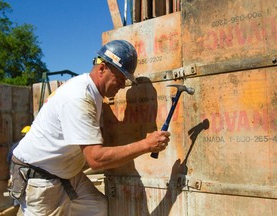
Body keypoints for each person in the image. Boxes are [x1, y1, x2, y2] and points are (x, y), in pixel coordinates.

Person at [10, 40, 170, 216]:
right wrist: (146, 145)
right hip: (40, 177)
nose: (123, 85)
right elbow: (96, 159)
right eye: (120, 77)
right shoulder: (79, 98)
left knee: (96, 207)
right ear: (102, 69)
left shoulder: (93, 93)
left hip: (65, 173)